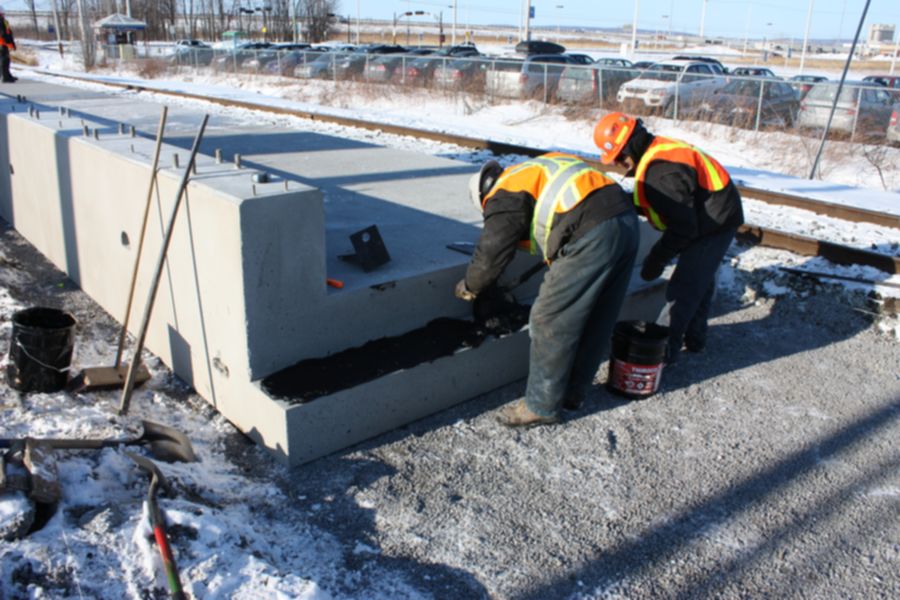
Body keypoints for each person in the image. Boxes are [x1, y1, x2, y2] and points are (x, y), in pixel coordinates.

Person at [456, 153, 639, 427]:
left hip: (594, 231)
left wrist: (471, 285)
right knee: (597, 314)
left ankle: (541, 405)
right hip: (625, 220)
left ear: (485, 195)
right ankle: (573, 393)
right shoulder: (534, 172)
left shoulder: (505, 191)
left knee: (548, 318)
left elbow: (491, 251)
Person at [593, 112, 744, 363]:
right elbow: (663, 202)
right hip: (708, 213)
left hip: (714, 222)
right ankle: (696, 340)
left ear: (631, 145)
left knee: (684, 287)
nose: (619, 164)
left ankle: (663, 354)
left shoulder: (661, 172)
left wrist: (657, 258)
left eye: (619, 156)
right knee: (700, 281)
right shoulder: (655, 154)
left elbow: (683, 227)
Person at [0, 6, 16, 83]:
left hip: (4, 43)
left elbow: (8, 32)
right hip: (2, 43)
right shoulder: (0, 21)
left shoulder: (4, 21)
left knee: (6, 60)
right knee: (4, 60)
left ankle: (7, 75)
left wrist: (11, 42)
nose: (3, 14)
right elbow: (3, 33)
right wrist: (8, 41)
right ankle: (5, 77)